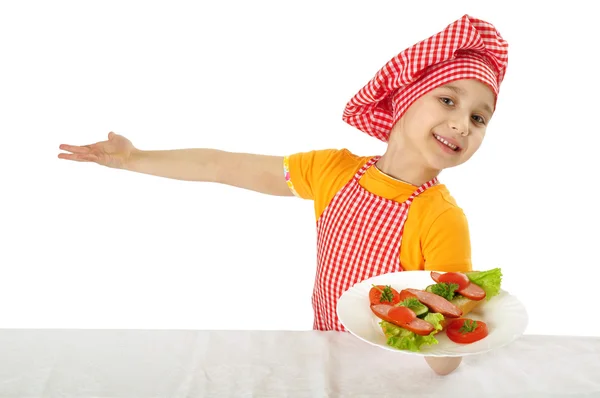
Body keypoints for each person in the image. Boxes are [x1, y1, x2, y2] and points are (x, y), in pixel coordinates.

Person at [58, 14, 508, 375]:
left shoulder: (440, 217)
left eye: (479, 118)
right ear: (406, 98)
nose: (461, 124)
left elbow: (446, 358)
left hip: (390, 376)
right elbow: (222, 166)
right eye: (448, 101)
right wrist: (135, 158)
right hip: (320, 354)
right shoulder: (333, 170)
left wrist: (456, 332)